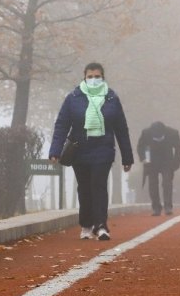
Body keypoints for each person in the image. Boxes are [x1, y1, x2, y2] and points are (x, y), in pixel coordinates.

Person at [49, 62, 134, 241]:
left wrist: (127, 157)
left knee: (99, 186)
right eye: (90, 76)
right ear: (84, 77)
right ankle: (86, 225)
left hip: (103, 149)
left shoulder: (112, 98)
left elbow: (121, 129)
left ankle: (101, 225)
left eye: (97, 76)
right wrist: (55, 150)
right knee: (85, 189)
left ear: (103, 77)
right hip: (80, 150)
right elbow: (62, 125)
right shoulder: (73, 98)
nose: (93, 80)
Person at [137, 121, 180, 216]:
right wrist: (144, 159)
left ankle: (168, 206)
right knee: (152, 185)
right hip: (151, 162)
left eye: (159, 138)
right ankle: (156, 207)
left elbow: (179, 149)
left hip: (167, 161)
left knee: (167, 183)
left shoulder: (173, 133)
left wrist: (175, 164)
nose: (157, 139)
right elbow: (140, 147)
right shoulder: (146, 133)